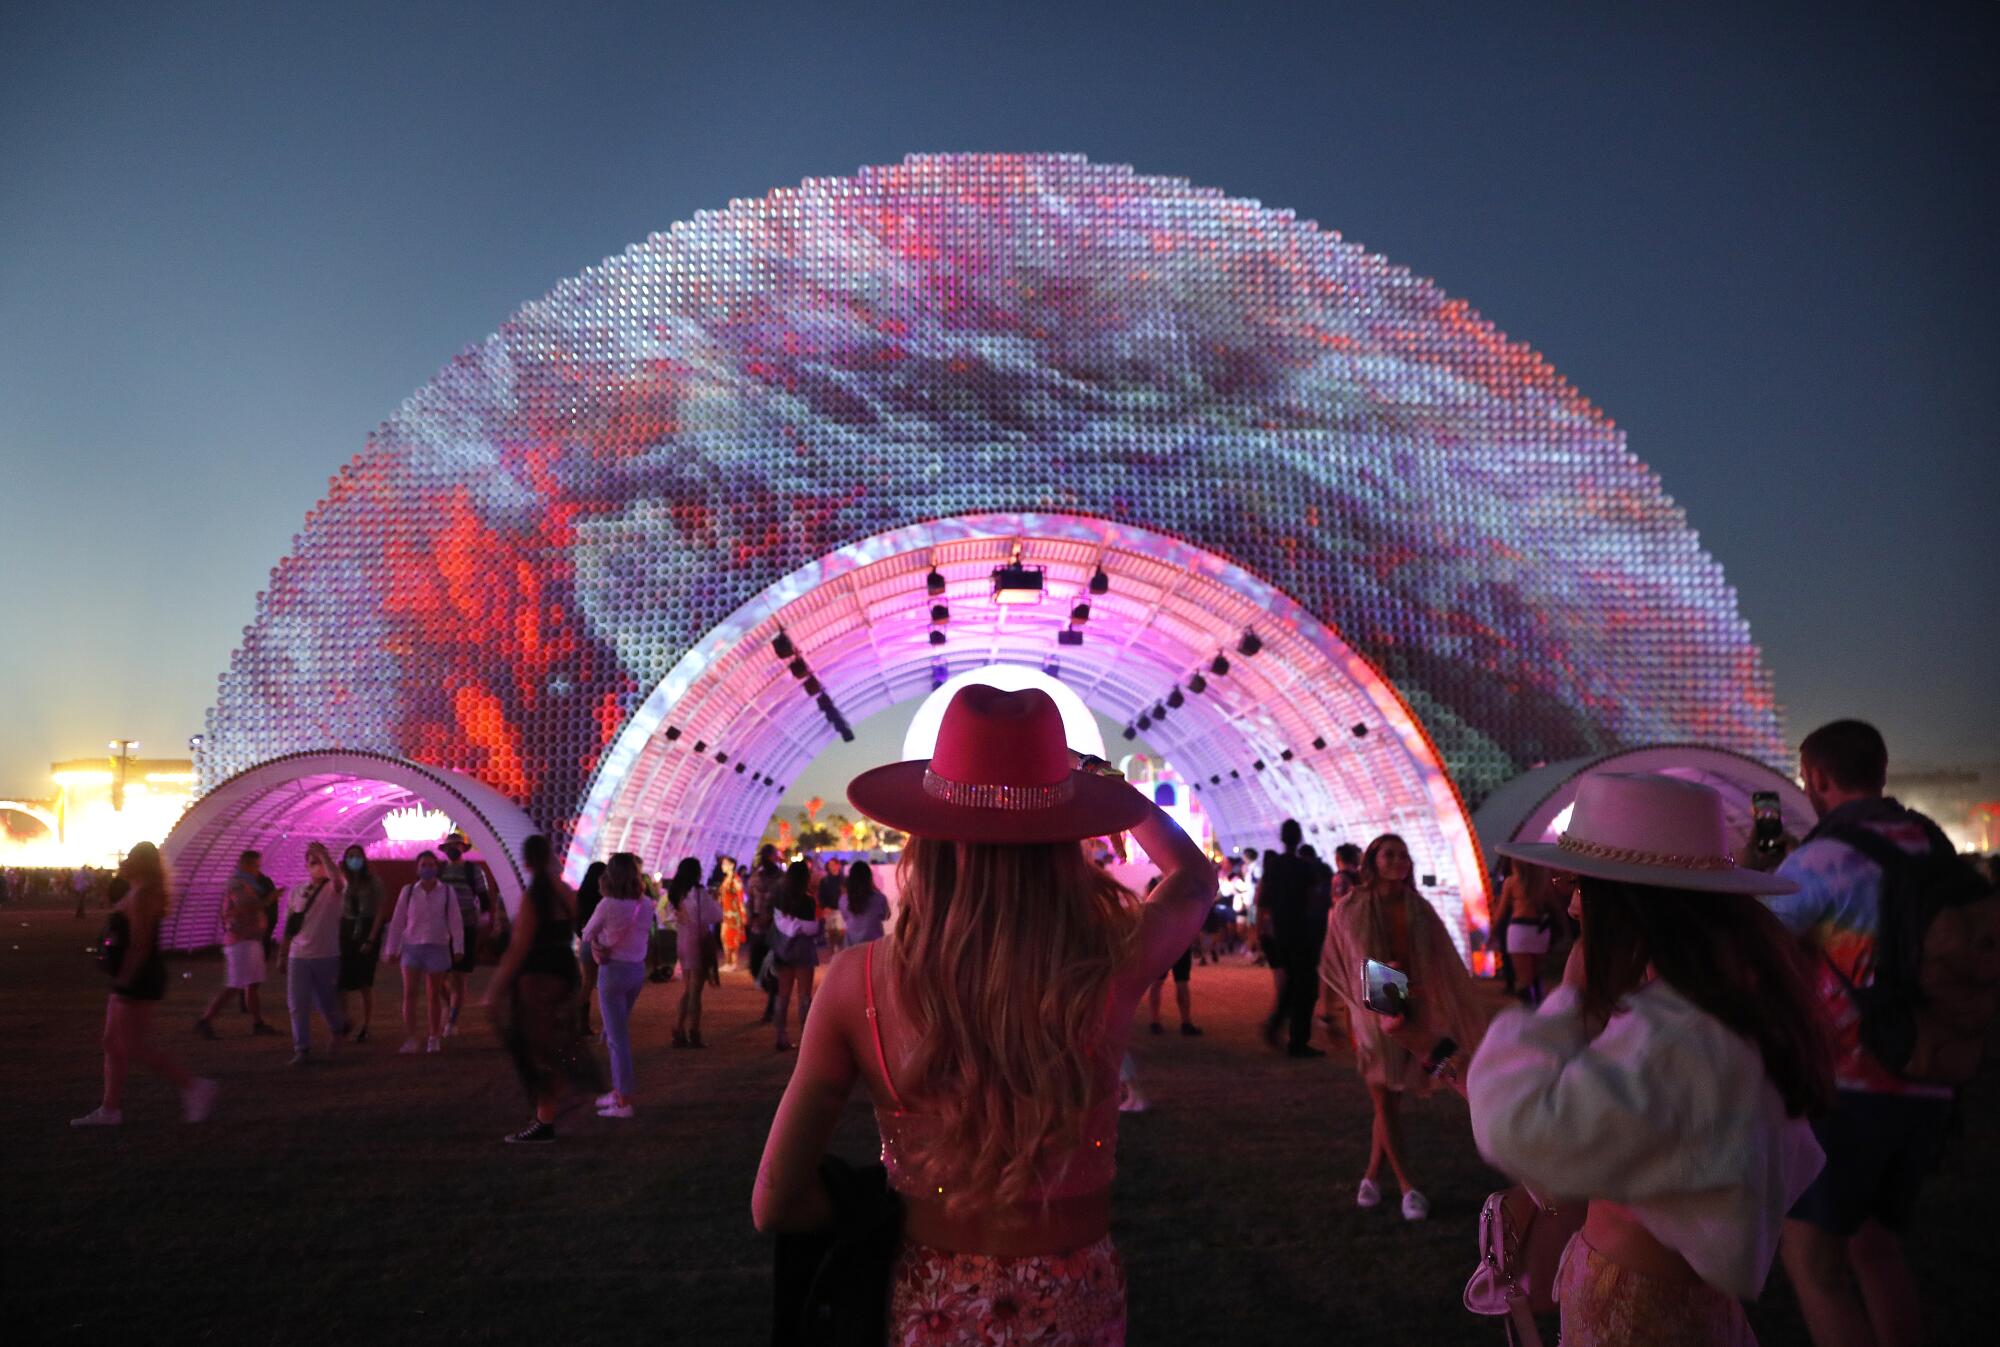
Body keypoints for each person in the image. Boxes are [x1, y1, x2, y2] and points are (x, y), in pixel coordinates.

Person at [753, 684, 1216, 1343]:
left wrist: (884, 1202)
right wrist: (1106, 780)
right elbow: (1193, 879)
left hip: (928, 1302)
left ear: (928, 838)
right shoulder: (1109, 960)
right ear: (1066, 840)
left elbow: (775, 1201)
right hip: (1077, 1298)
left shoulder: (856, 983)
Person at [1469, 772, 1832, 1343]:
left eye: (1581, 880)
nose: (1569, 900)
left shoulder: (1689, 1027)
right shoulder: (1721, 1000)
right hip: (1661, 1296)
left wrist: (1574, 1001)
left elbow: (1514, 1124)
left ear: (1631, 898)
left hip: (1641, 1310)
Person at [1770, 721, 1960, 1347]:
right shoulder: (1930, 845)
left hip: (1853, 1088)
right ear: (1880, 770)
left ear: (1817, 777)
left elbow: (1762, 943)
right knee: (1876, 1247)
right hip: (1932, 1075)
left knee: (1812, 1262)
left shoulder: (1824, 858)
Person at [1322, 833, 1488, 1220]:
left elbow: (1439, 957)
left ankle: (1370, 1176)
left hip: (1412, 1005)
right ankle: (1408, 1187)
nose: (1397, 861)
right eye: (1389, 854)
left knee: (1391, 1097)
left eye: (1403, 855)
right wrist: (1333, 1008)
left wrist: (1419, 993)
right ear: (1373, 860)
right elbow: (1348, 962)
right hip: (1372, 1009)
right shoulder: (1353, 907)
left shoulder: (1418, 907)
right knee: (1385, 1096)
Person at [73, 842, 218, 1127]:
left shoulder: (142, 895)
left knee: (132, 1045)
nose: (123, 861)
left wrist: (125, 978)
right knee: (112, 1042)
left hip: (138, 975)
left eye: (129, 857)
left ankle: (194, 1087)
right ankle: (110, 1109)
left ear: (140, 863)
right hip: (133, 974)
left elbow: (139, 944)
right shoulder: (137, 890)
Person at [486, 834, 599, 1143]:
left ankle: (548, 1115)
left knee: (537, 1050)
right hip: (564, 970)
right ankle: (552, 1108)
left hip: (538, 977)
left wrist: (495, 988)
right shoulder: (563, 891)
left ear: (526, 860)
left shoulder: (534, 895)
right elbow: (571, 924)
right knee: (557, 1044)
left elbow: (520, 946)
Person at [580, 852, 650, 1116]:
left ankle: (624, 1101)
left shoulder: (608, 904)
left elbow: (587, 933)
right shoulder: (646, 904)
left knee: (617, 1040)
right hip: (636, 971)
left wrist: (599, 944)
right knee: (616, 1033)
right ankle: (619, 1092)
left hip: (613, 972)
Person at [1258, 820, 1329, 1058]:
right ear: (1299, 838)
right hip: (1302, 931)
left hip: (1281, 930)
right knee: (1307, 987)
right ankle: (1297, 1040)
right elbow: (1314, 899)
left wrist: (1265, 928)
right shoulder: (1305, 867)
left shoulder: (1274, 866)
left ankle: (1278, 1025)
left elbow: (1264, 900)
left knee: (1292, 982)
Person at [194, 849, 281, 1038]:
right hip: (241, 940)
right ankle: (205, 1020)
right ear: (246, 865)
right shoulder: (238, 885)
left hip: (251, 939)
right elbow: (245, 906)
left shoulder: (248, 885)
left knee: (252, 983)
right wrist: (269, 900)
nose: (258, 870)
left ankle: (258, 1023)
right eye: (256, 866)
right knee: (235, 984)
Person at [277, 841, 349, 1065]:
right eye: (312, 862)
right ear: (306, 867)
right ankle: (302, 1048)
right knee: (297, 1002)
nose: (316, 865)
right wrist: (283, 952)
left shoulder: (334, 889)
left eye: (319, 862)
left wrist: (324, 854)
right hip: (298, 955)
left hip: (326, 954)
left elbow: (337, 880)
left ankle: (337, 1030)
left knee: (325, 1001)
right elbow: (290, 924)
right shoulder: (297, 891)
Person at [391, 849, 461, 1054]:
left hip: (437, 946)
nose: (428, 869)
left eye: (431, 865)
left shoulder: (447, 892)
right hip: (412, 946)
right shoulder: (408, 891)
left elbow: (455, 921)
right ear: (417, 868)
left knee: (433, 994)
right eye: (424, 865)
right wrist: (392, 947)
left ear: (437, 868)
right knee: (409, 993)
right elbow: (397, 921)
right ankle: (412, 1037)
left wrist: (458, 947)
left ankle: (434, 1036)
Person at [437, 832, 491, 1036]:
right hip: (441, 927)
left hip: (466, 925)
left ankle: (452, 1020)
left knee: (459, 975)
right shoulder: (439, 870)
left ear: (463, 848)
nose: (454, 849)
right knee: (437, 973)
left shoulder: (474, 870)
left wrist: (485, 918)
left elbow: (484, 896)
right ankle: (447, 1003)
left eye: (457, 846)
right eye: (450, 846)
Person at [768, 861, 821, 1052]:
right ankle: (806, 1038)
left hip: (783, 949)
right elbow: (812, 927)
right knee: (804, 996)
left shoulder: (780, 899)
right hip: (803, 950)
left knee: (783, 995)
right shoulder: (807, 900)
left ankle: (780, 1036)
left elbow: (778, 922)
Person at [336, 844, 386, 1042]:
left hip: (366, 927)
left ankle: (366, 1025)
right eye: (350, 856)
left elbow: (380, 910)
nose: (353, 859)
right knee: (342, 980)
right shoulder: (343, 881)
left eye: (357, 856)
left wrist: (371, 938)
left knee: (365, 981)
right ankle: (344, 1020)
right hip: (346, 929)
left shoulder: (373, 881)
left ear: (364, 859)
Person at [670, 856, 720, 1049]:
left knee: (688, 988)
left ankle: (678, 1029)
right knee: (695, 991)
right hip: (697, 941)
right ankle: (694, 1032)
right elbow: (715, 915)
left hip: (682, 940)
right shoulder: (699, 893)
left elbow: (667, 915)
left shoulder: (676, 893)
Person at [1144, 878, 1202, 1037]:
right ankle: (1186, 1021)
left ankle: (1155, 1021)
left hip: (1160, 944)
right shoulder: (1180, 892)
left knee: (1157, 983)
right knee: (1181, 983)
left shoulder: (1154, 894)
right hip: (1180, 942)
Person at [1501, 857, 1561, 1006]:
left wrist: (1492, 933)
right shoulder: (1542, 882)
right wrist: (1565, 930)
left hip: (1520, 928)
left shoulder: (1511, 882)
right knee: (1535, 975)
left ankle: (1528, 1013)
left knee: (1523, 979)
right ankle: (1538, 1008)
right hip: (1540, 928)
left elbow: (1501, 910)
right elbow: (1556, 907)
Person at [744, 844, 783, 1021]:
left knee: (773, 967)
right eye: (773, 855)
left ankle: (771, 1005)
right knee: (754, 965)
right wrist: (751, 917)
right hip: (757, 927)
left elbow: (784, 902)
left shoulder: (781, 878)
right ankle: (773, 993)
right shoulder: (756, 877)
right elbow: (749, 899)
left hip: (775, 928)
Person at [572, 859, 607, 1036]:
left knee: (587, 983)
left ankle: (580, 1022)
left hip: (587, 942)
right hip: (604, 944)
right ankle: (607, 1021)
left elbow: (576, 922)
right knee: (605, 984)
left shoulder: (582, 895)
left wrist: (584, 936)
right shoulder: (605, 898)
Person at [838, 860, 889, 945]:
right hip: (874, 944)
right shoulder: (879, 897)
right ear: (869, 877)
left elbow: (845, 917)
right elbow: (885, 916)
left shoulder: (843, 899)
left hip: (851, 944)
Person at [717, 855, 746, 971]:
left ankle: (733, 963)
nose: (722, 866)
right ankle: (729, 962)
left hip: (734, 913)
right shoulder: (726, 879)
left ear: (732, 865)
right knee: (724, 937)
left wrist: (743, 914)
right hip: (725, 912)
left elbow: (740, 897)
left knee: (731, 937)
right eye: (722, 864)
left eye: (725, 864)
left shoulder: (735, 879)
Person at [817, 857, 847, 953]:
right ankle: (832, 953)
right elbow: (821, 895)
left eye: (833, 864)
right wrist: (824, 907)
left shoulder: (844, 880)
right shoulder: (824, 880)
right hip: (829, 910)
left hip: (841, 910)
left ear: (838, 865)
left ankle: (840, 952)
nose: (831, 867)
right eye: (829, 865)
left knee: (841, 933)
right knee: (830, 933)